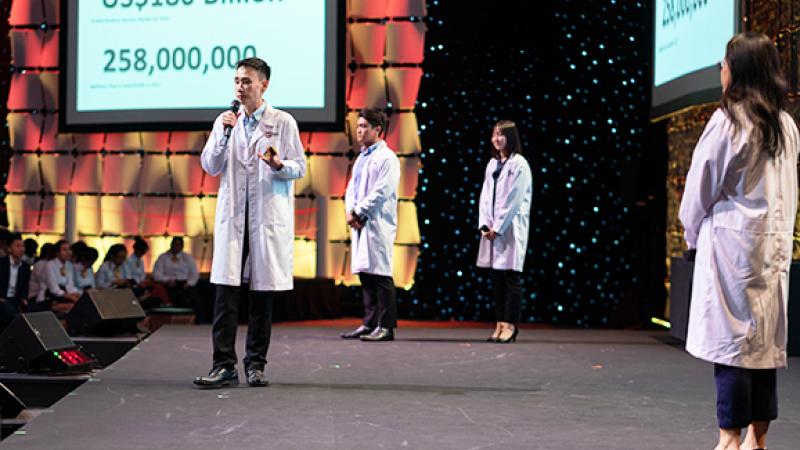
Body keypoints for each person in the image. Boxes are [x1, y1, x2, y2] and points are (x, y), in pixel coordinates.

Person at [678, 32, 798, 450]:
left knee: (732, 347)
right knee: (762, 346)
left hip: (732, 250)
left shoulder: (729, 120)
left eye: (724, 64)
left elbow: (700, 188)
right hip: (772, 249)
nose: (721, 71)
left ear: (737, 70)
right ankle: (756, 439)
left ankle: (728, 438)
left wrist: (691, 234)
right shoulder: (786, 125)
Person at [194, 57, 306, 388]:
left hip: (265, 219)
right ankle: (223, 365)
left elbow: (299, 166)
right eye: (237, 81)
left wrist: (279, 165)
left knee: (261, 294)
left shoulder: (283, 122)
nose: (240, 87)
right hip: (233, 218)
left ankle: (256, 365)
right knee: (225, 293)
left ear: (263, 85)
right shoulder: (224, 121)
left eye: (247, 81)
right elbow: (210, 165)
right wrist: (222, 137)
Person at [339, 108, 401, 342]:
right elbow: (351, 189)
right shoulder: (362, 157)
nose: (359, 130)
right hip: (360, 223)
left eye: (364, 126)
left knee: (380, 274)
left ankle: (386, 326)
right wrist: (350, 211)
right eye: (358, 126)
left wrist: (359, 211)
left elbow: (382, 191)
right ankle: (369, 322)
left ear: (378, 129)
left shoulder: (387, 158)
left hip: (377, 223)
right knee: (366, 274)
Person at [476, 120, 532, 344]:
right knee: (497, 279)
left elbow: (513, 200)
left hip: (510, 228)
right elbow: (485, 196)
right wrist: (485, 225)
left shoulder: (520, 164)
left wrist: (498, 228)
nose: (496, 139)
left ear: (511, 137)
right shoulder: (492, 164)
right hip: (492, 230)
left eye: (501, 134)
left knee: (511, 278)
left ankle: (510, 325)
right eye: (494, 134)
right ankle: (499, 324)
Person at [152, 236, 199, 311]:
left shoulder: (187, 257)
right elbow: (156, 274)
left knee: (193, 298)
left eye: (178, 245)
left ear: (182, 246)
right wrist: (167, 280)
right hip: (168, 284)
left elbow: (194, 274)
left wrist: (189, 283)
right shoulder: (163, 257)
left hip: (185, 284)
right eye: (174, 244)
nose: (176, 247)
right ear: (171, 244)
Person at [39, 240, 82, 316]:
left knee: (82, 303)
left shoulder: (69, 265)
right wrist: (71, 297)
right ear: (57, 253)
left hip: (64, 297)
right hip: (48, 298)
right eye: (64, 250)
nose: (68, 252)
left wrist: (78, 294)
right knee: (74, 307)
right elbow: (54, 289)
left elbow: (70, 285)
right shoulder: (50, 265)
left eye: (69, 249)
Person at [0, 233, 30, 331]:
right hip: (3, 298)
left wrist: (24, 298)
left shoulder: (25, 266)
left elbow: (25, 287)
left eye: (23, 246)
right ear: (9, 249)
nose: (21, 249)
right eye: (18, 246)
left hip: (16, 299)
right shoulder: (2, 263)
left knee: (33, 310)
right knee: (10, 312)